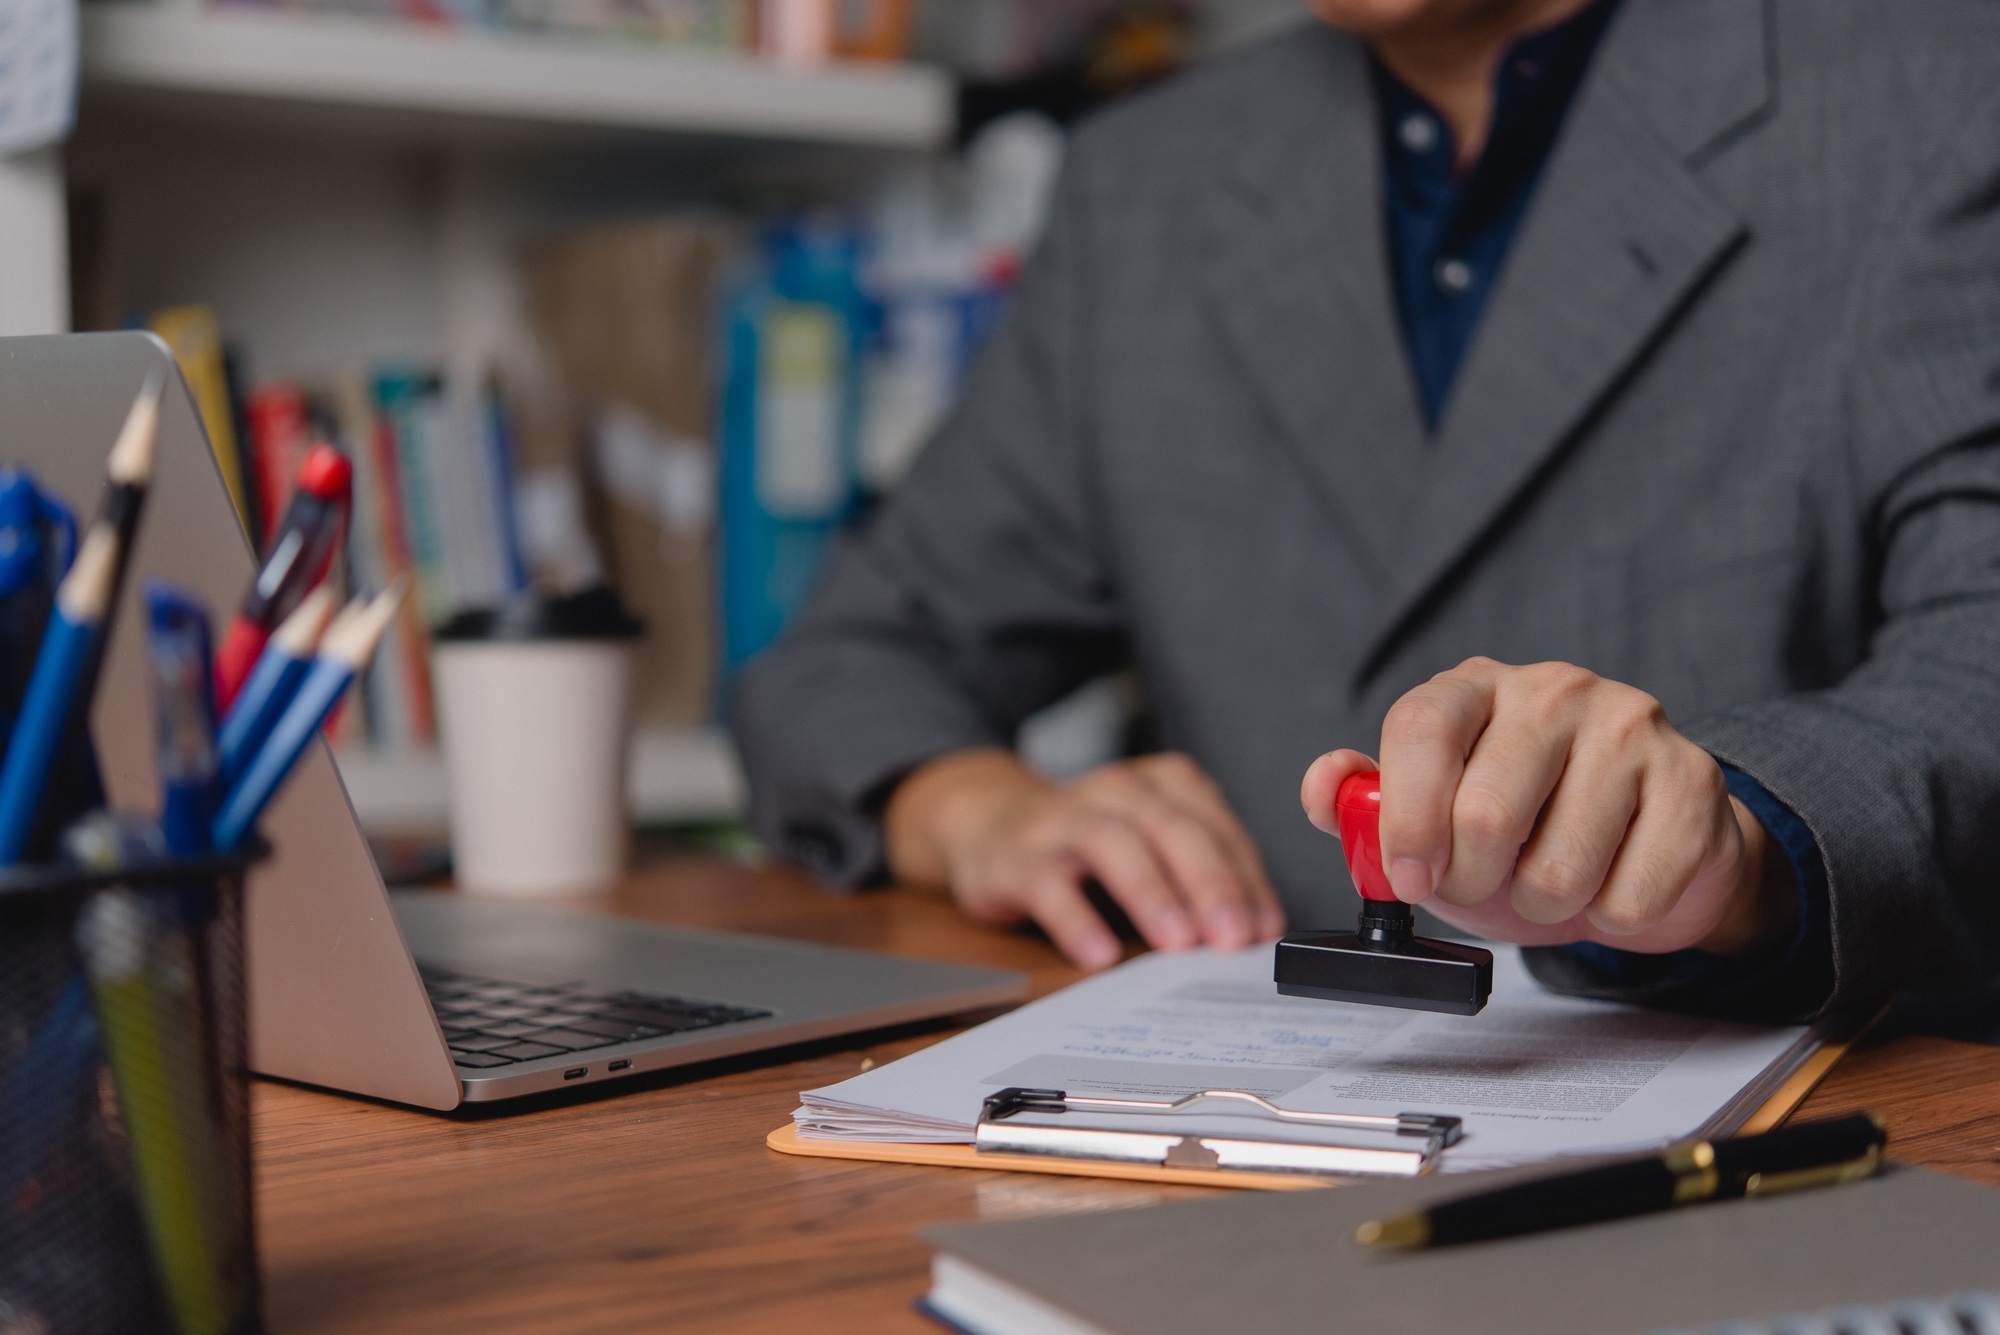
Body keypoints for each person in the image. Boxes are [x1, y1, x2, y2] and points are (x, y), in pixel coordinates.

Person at [732, 0, 2000, 1022]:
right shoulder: (1144, 183)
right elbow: (846, 658)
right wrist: (978, 811)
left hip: (1788, 1146)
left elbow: (1977, 666)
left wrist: (1737, 840)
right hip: (1235, 1130)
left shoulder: (1939, 92)